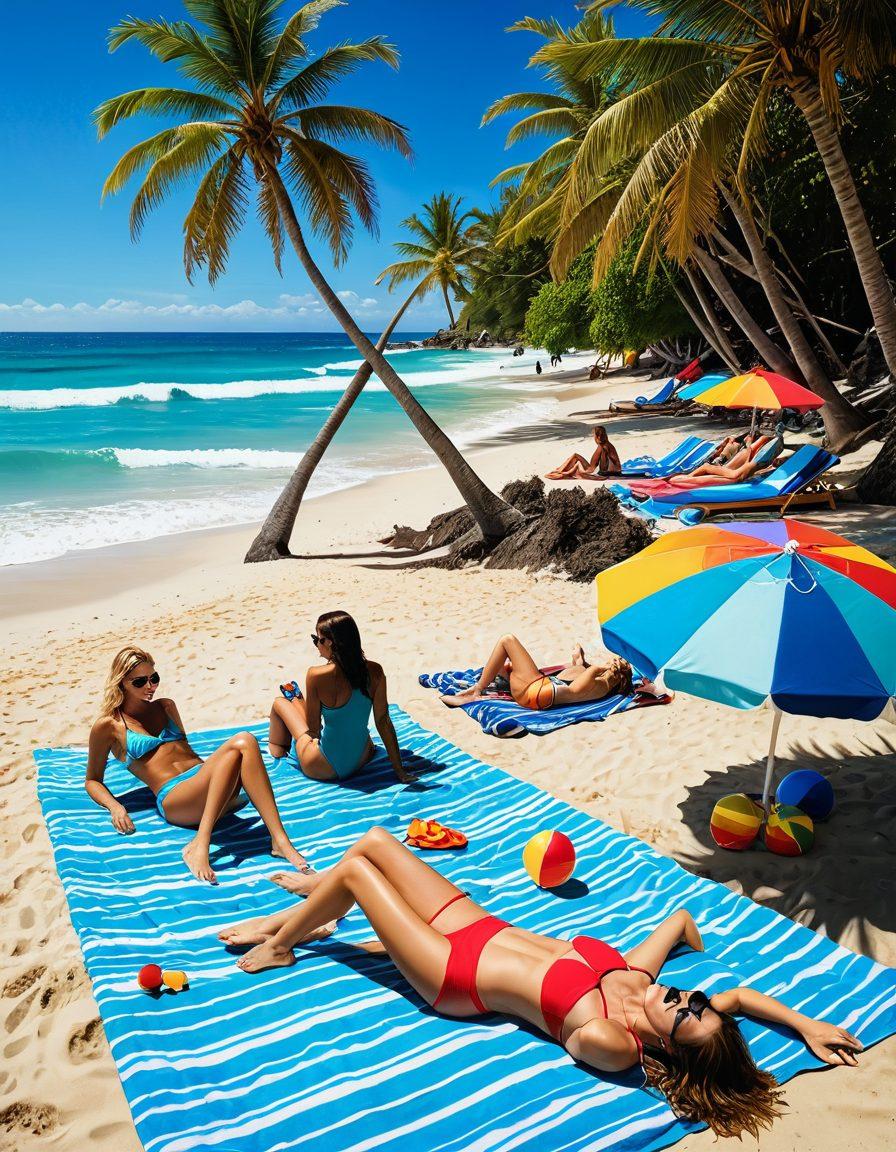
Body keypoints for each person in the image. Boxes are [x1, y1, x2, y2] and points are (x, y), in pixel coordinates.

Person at [219, 828, 862, 1139]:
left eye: (688, 1013)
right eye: (696, 1000)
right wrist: (805, 1026)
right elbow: (729, 990)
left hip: (456, 976)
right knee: (376, 843)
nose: (690, 998)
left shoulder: (617, 1042)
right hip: (478, 925)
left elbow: (655, 1041)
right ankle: (315, 900)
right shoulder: (640, 980)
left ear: (670, 1047)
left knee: (360, 878)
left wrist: (668, 1049)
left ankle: (283, 942)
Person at [86, 646, 314, 884]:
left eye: (154, 678)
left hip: (209, 787)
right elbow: (92, 780)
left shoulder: (166, 706)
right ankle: (202, 843)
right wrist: (116, 807)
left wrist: (221, 770)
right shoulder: (109, 725)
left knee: (243, 747)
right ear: (121, 682)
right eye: (140, 682)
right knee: (244, 740)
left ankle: (280, 841)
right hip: (176, 798)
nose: (150, 687)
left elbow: (187, 753)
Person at [269, 610, 417, 789]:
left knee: (279, 704)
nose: (316, 645)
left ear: (329, 642)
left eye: (317, 639)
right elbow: (383, 722)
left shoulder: (316, 675)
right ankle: (296, 698)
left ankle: (281, 736)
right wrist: (400, 771)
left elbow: (314, 729)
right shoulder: (375, 671)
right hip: (360, 759)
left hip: (324, 767)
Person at [440, 636, 635, 712]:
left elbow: (576, 689)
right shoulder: (600, 683)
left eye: (617, 664)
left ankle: (477, 691)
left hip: (534, 692)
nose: (612, 662)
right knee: (501, 664)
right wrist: (583, 664)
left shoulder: (600, 684)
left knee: (507, 641)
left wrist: (597, 668)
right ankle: (495, 683)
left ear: (618, 675)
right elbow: (577, 679)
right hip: (535, 692)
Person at [546, 426, 622, 480]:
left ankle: (560, 471)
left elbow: (596, 468)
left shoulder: (602, 446)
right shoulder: (607, 444)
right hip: (613, 471)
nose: (594, 437)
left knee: (576, 459)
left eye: (594, 435)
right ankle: (560, 470)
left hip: (606, 472)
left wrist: (570, 471)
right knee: (575, 456)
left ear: (598, 436)